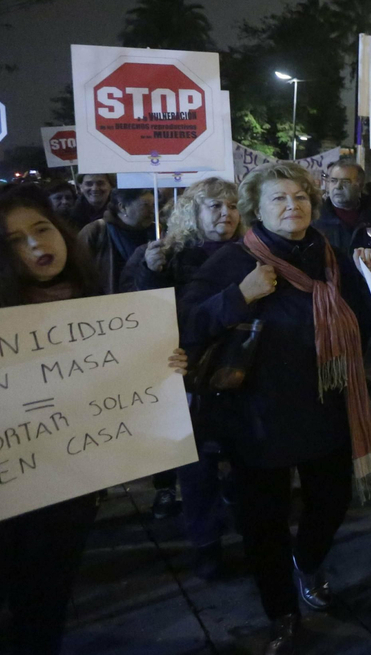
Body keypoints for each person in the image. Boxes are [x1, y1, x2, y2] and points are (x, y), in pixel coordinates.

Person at [0, 185, 188, 655]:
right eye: (15, 240)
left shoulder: (91, 301)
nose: (36, 245)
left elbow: (111, 380)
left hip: (66, 492)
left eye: (42, 229)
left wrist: (160, 364)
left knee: (45, 604)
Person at [179, 162, 371, 654]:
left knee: (331, 503)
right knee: (263, 523)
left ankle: (308, 563)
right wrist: (239, 296)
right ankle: (281, 611)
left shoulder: (332, 257)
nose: (293, 205)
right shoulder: (232, 261)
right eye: (278, 198)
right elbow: (187, 324)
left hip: (325, 407)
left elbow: (370, 309)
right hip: (258, 417)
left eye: (300, 196)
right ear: (257, 208)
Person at [119, 177, 243, 547]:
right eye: (216, 206)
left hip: (243, 371)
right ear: (193, 212)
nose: (227, 214)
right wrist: (150, 274)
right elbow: (137, 316)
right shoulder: (164, 254)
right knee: (197, 467)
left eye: (233, 206)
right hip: (187, 375)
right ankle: (206, 544)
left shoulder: (253, 251)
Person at [79, 186, 154, 295]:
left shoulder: (157, 232)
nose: (152, 211)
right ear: (123, 207)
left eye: (154, 205)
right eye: (145, 205)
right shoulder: (96, 231)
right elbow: (79, 271)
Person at [313, 161, 371, 263]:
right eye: (333, 181)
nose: (338, 186)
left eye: (345, 181)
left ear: (360, 185)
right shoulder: (314, 219)